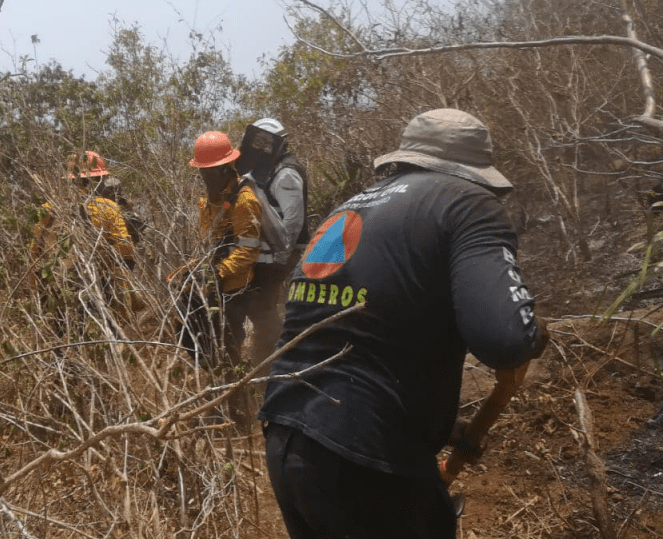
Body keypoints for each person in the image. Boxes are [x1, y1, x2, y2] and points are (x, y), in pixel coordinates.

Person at [258, 108, 549, 539]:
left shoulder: (353, 207)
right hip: (367, 460)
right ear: (475, 170)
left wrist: (443, 426)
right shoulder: (467, 203)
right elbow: (505, 339)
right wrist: (535, 333)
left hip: (289, 441)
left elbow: (354, 340)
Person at [235, 117, 309, 368]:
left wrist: (280, 259)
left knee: (264, 307)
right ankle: (269, 356)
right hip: (268, 254)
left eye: (267, 143)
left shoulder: (286, 172)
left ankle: (279, 358)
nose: (262, 148)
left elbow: (292, 222)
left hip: (279, 255)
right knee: (261, 306)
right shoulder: (268, 169)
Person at [185, 130, 264, 366]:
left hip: (235, 288)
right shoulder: (207, 202)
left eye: (208, 171)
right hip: (212, 286)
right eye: (202, 170)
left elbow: (249, 248)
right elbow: (207, 244)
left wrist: (218, 273)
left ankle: (237, 393)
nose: (204, 176)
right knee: (193, 333)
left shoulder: (244, 200)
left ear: (225, 168)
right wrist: (189, 269)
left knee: (229, 346)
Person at [28, 150, 136, 314]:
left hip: (58, 285)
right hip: (97, 284)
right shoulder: (108, 207)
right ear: (98, 180)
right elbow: (125, 247)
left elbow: (34, 250)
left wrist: (36, 290)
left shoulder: (48, 209)